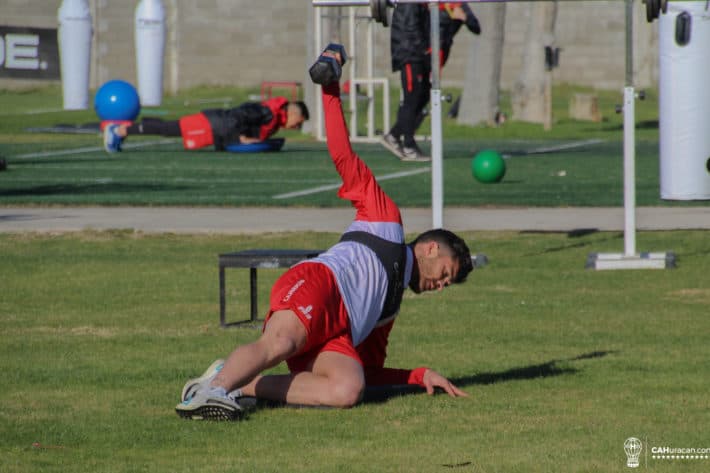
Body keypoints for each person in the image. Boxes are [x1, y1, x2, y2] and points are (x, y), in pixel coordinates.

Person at [175, 46, 474, 421]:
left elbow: (373, 374)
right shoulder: (387, 223)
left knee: (348, 388)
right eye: (445, 273)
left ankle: (240, 382)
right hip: (320, 284)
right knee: (280, 343)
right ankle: (209, 392)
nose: (442, 285)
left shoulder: (389, 306)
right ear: (430, 248)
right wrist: (330, 91)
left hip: (337, 331)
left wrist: (419, 375)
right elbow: (344, 157)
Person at [381, 2, 480, 162]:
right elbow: (411, 28)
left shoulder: (454, 4)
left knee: (424, 97)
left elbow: (475, 27)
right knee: (412, 99)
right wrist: (425, 51)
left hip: (427, 55)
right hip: (412, 54)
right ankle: (408, 145)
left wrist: (462, 18)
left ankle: (394, 135)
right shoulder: (412, 4)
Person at [103, 96, 309, 153]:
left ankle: (124, 130)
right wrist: (240, 139)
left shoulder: (273, 120)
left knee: (169, 129)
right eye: (298, 123)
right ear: (292, 113)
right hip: (212, 123)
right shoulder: (267, 112)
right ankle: (120, 129)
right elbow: (239, 115)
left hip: (216, 128)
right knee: (168, 129)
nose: (296, 127)